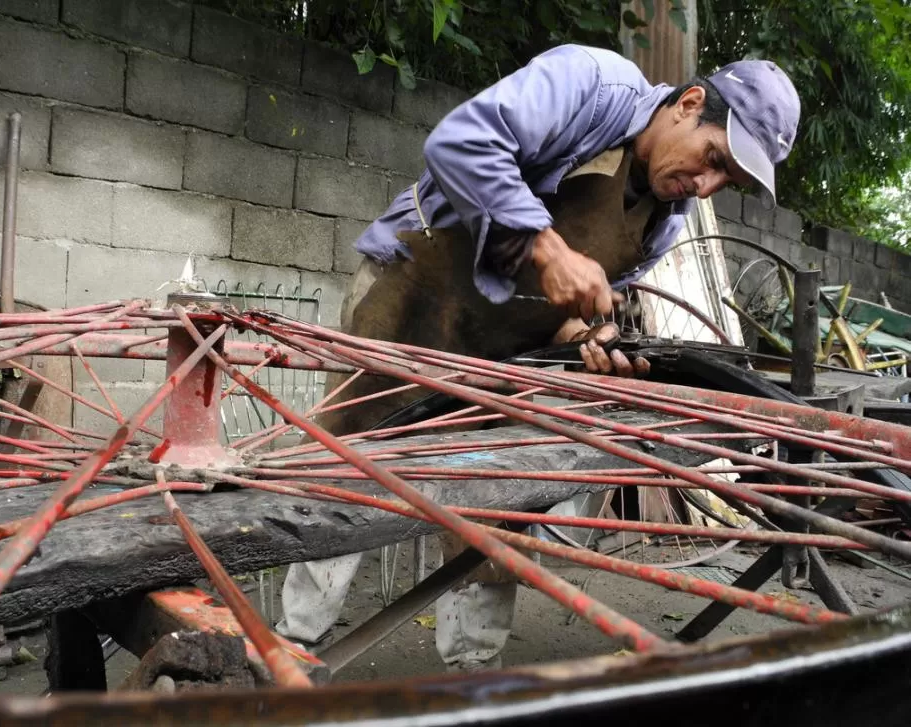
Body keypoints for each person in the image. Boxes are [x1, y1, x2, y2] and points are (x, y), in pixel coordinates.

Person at [276, 44, 801, 670]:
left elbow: (576, 302)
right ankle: (290, 649)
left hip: (506, 351)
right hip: (414, 297)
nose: (706, 185)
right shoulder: (592, 85)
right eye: (712, 160)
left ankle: (474, 675)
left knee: (494, 502)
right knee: (352, 474)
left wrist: (586, 336)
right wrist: (550, 253)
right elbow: (460, 144)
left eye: (726, 182)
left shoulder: (666, 219)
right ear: (689, 104)